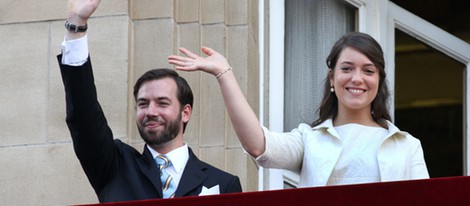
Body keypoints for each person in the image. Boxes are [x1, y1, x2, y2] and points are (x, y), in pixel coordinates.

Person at [168, 32, 429, 187]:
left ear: (379, 80)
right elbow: (259, 145)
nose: (357, 79)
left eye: (368, 71)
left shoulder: (407, 146)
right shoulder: (310, 139)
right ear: (332, 77)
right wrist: (224, 73)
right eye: (347, 68)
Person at [57, 0, 241, 203]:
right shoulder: (114, 166)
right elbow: (84, 115)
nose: (151, 111)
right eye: (143, 104)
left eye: (162, 103)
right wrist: (77, 23)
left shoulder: (224, 184)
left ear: (185, 112)